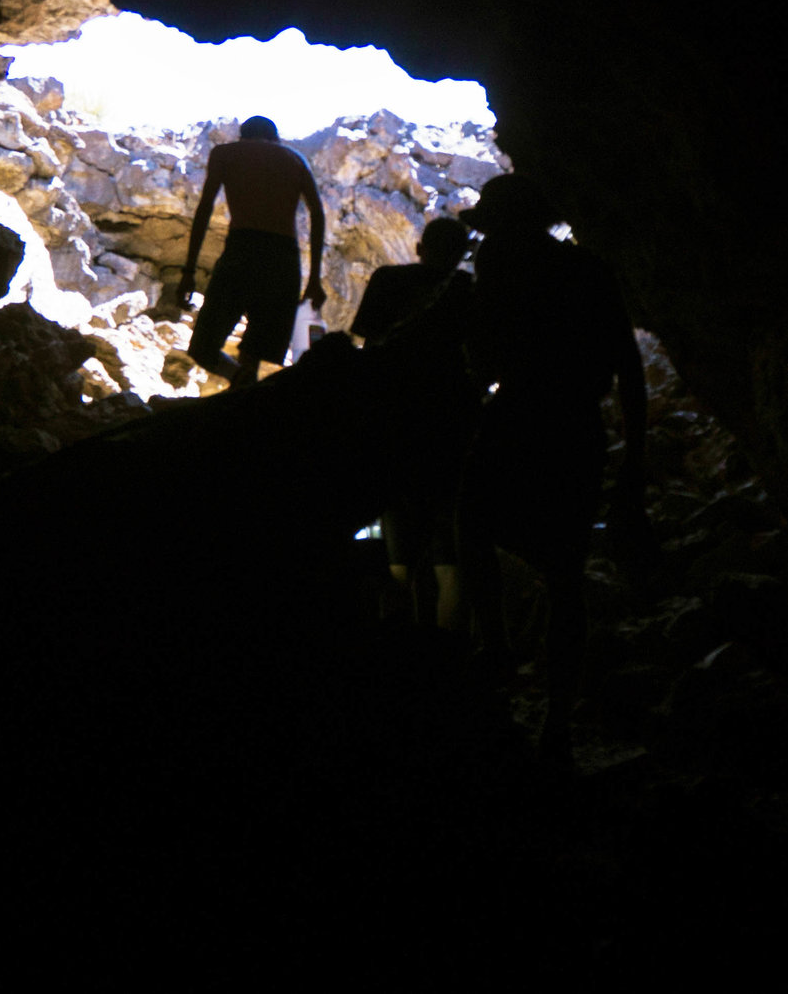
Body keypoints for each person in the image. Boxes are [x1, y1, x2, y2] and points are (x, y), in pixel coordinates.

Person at [453, 172, 648, 765]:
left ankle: (497, 649)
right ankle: (556, 722)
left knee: (473, 527)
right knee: (565, 578)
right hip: (574, 431)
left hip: (517, 417)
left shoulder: (496, 266)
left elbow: (481, 363)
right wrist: (633, 462)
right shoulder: (589, 270)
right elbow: (628, 370)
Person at [351, 218, 480, 628]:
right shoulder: (470, 292)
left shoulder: (388, 280)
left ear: (420, 247)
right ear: (464, 254)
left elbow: (370, 344)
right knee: (450, 553)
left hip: (394, 419)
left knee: (398, 547)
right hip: (452, 423)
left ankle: (397, 648)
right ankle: (448, 655)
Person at [172, 115, 327, 388]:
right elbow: (317, 213)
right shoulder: (294, 160)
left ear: (242, 136)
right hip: (283, 258)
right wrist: (314, 278)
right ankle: (245, 392)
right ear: (275, 138)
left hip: (242, 250)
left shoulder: (225, 154)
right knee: (255, 351)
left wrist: (189, 270)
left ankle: (239, 382)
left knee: (202, 348)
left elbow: (205, 208)